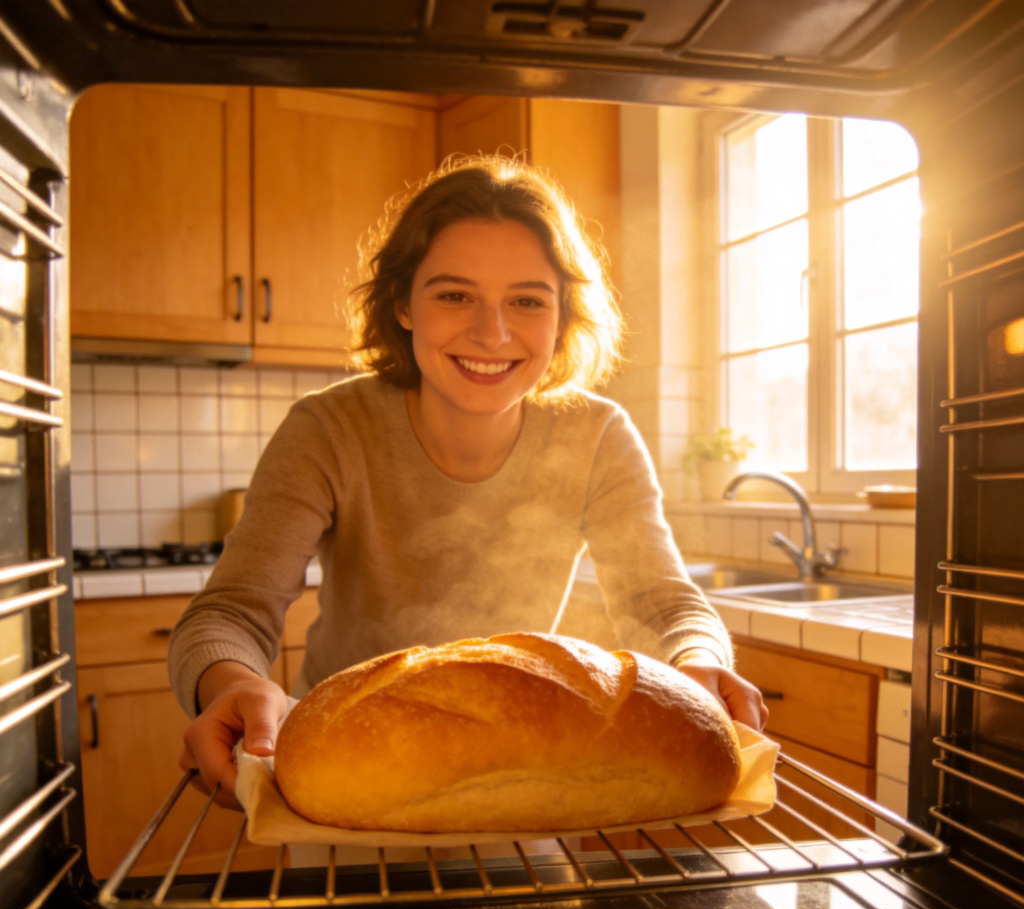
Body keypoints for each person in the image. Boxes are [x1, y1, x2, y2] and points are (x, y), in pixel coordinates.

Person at [170, 153, 768, 809]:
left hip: (525, 768)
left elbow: (662, 606)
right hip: (349, 776)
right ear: (402, 303)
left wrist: (699, 660)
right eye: (455, 295)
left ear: (562, 316)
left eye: (527, 300)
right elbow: (232, 611)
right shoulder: (329, 428)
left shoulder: (596, 435)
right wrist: (230, 684)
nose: (493, 332)